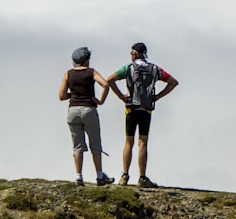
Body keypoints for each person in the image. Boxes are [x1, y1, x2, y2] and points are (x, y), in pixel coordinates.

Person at [105, 42, 179, 187]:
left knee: (129, 141)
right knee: (143, 142)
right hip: (146, 108)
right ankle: (142, 177)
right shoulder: (155, 69)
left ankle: (124, 176)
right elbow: (173, 82)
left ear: (134, 54)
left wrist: (121, 96)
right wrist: (157, 96)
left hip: (131, 107)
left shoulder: (128, 68)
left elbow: (109, 80)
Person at [58, 46, 114, 186]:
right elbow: (106, 85)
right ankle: (100, 176)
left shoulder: (68, 74)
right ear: (86, 60)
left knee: (77, 146)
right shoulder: (91, 72)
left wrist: (73, 94)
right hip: (89, 109)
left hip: (73, 111)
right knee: (95, 143)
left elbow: (61, 96)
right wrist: (100, 101)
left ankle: (78, 177)